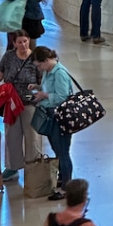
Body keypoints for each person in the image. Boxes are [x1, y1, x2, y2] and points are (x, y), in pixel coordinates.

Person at [0, 29, 42, 182]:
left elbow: (44, 81)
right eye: (19, 42)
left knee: (32, 136)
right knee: (11, 135)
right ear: (14, 43)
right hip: (11, 102)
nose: (23, 44)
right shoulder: (8, 57)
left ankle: (34, 166)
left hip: (29, 103)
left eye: (25, 41)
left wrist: (37, 87)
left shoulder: (36, 59)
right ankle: (12, 167)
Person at [28, 46, 76, 200]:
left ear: (46, 60)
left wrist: (44, 95)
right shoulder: (48, 71)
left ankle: (66, 187)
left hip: (59, 117)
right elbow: (50, 88)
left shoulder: (59, 73)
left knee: (62, 151)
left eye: (39, 65)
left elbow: (62, 96)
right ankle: (63, 178)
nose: (39, 68)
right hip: (51, 115)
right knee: (58, 150)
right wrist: (38, 88)